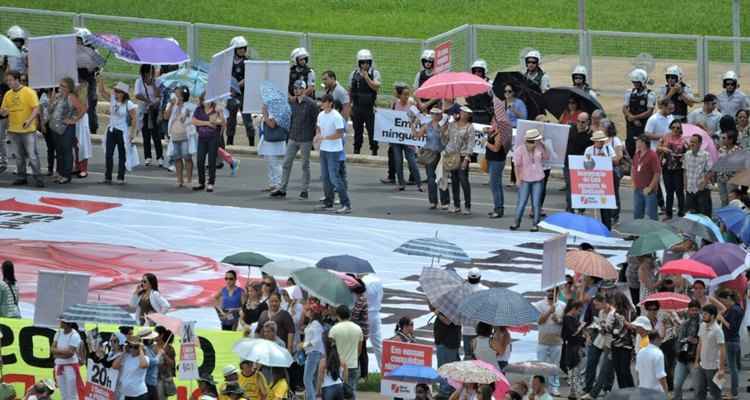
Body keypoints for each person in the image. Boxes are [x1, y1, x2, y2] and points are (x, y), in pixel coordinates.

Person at [272, 80, 318, 199]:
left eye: (299, 88)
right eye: (295, 88)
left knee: (305, 165)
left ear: (303, 89)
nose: (296, 90)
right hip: (293, 137)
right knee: (286, 163)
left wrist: (314, 137)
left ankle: (304, 190)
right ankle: (282, 189)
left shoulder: (311, 104)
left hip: (306, 139)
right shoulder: (292, 103)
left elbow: (316, 121)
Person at [0, 70, 43, 187]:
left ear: (17, 80)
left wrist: (29, 120)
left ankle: (38, 178)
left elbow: (36, 108)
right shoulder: (8, 94)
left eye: (10, 80)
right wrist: (3, 112)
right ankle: (21, 177)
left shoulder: (29, 92)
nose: (8, 82)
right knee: (19, 156)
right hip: (13, 129)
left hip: (28, 130)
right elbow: (3, 112)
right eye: (7, 80)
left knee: (32, 155)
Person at [315, 94, 351, 214]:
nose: (322, 104)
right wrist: (318, 135)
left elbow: (340, 133)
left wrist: (324, 137)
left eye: (324, 102)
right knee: (325, 178)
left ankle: (346, 204)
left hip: (334, 151)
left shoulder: (336, 116)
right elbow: (319, 127)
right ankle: (328, 202)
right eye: (322, 102)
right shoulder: (321, 115)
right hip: (324, 150)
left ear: (330, 103)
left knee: (335, 178)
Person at [47, 77, 86, 184]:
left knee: (66, 152)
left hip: (66, 129)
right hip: (55, 128)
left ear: (69, 88)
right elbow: (50, 110)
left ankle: (66, 175)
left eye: (64, 86)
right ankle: (59, 173)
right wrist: (51, 100)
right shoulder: (58, 96)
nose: (61, 88)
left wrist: (74, 120)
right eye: (60, 85)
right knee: (59, 152)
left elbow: (83, 109)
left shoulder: (71, 97)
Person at [97, 80, 137, 184]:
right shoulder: (113, 100)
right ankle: (108, 177)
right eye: (115, 91)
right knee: (108, 154)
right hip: (111, 129)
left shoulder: (129, 104)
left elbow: (134, 118)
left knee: (122, 155)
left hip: (122, 131)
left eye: (118, 91)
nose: (116, 93)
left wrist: (132, 132)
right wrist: (100, 80)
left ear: (124, 93)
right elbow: (102, 92)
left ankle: (120, 177)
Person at [511, 129, 548, 231]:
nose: (533, 144)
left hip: (538, 178)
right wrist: (518, 179)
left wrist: (543, 145)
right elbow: (516, 166)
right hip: (525, 179)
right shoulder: (519, 150)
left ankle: (535, 224)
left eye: (535, 141)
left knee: (536, 203)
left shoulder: (539, 147)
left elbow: (546, 157)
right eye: (531, 142)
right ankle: (516, 222)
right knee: (522, 202)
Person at [413, 108, 449, 209]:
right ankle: (433, 201)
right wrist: (412, 125)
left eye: (438, 114)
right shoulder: (427, 126)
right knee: (431, 178)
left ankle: (445, 202)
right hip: (430, 153)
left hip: (441, 154)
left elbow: (447, 139)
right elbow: (417, 136)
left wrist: (443, 132)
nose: (436, 116)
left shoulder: (444, 126)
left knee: (441, 177)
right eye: (434, 114)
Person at [442, 105, 474, 215]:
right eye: (462, 112)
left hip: (463, 155)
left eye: (466, 113)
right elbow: (446, 138)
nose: (463, 114)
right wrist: (445, 127)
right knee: (454, 180)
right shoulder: (452, 124)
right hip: (452, 155)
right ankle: (456, 205)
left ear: (469, 115)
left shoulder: (470, 127)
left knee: (463, 179)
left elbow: (470, 144)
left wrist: (466, 159)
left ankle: (467, 205)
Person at [485, 95, 512, 218]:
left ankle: (498, 209)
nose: (491, 122)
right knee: (497, 185)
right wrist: (489, 132)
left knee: (494, 185)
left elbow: (496, 148)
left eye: (493, 120)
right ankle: (499, 207)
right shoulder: (495, 131)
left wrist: (485, 143)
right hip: (493, 160)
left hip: (496, 160)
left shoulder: (500, 133)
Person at [349, 49, 381, 155]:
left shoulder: (374, 73)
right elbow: (350, 90)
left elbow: (376, 87)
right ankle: (357, 149)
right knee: (357, 131)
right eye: (363, 62)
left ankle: (374, 149)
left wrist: (367, 78)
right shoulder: (353, 74)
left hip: (369, 108)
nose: (365, 65)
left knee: (372, 131)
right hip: (357, 107)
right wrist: (349, 106)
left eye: (367, 62)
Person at [532, 289, 564, 396]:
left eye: (553, 291)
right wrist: (549, 312)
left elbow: (565, 322)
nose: (550, 293)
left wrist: (558, 320)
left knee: (555, 365)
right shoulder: (539, 304)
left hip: (557, 341)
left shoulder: (563, 305)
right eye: (549, 291)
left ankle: (554, 388)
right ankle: (536, 387)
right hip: (543, 341)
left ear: (557, 292)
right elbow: (539, 321)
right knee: (540, 365)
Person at [192, 93, 225, 192]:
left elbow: (223, 123)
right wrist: (207, 123)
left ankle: (211, 183)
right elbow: (194, 121)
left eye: (209, 99)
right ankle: (201, 182)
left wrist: (220, 115)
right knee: (200, 160)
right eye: (205, 99)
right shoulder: (199, 109)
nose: (207, 101)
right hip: (202, 138)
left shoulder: (217, 109)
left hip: (213, 138)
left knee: (211, 161)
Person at [328, 305, 363, 399]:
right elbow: (359, 350)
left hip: (339, 365)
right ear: (349, 315)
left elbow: (330, 348)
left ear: (338, 315)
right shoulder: (358, 329)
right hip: (353, 364)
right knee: (351, 391)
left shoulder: (334, 329)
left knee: (338, 392)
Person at [584, 130, 617, 228]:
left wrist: (606, 158)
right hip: (593, 180)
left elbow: (615, 160)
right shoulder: (589, 150)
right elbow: (585, 163)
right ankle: (591, 226)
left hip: (605, 180)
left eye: (602, 141)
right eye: (599, 141)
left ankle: (606, 226)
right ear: (595, 141)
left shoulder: (608, 148)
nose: (601, 143)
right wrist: (595, 158)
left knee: (605, 205)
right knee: (591, 203)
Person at [164, 86, 195, 187]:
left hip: (186, 135)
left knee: (187, 157)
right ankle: (179, 179)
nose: (174, 96)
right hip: (174, 135)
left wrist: (186, 115)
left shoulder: (190, 106)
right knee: (177, 157)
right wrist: (171, 105)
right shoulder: (172, 105)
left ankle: (189, 179)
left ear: (182, 96)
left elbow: (192, 120)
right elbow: (166, 116)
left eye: (177, 94)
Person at [227, 36, 255, 146]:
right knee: (231, 119)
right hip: (231, 94)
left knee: (247, 120)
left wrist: (236, 87)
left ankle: (251, 143)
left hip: (244, 94)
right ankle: (229, 142)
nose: (242, 50)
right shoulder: (228, 61)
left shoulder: (247, 62)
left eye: (244, 48)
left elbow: (248, 78)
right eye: (240, 48)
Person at [657, 119, 687, 220]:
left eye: (678, 128)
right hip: (667, 167)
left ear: (681, 129)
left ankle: (681, 211)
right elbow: (657, 147)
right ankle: (668, 213)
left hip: (678, 168)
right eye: (673, 127)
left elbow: (687, 152)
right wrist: (663, 149)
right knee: (669, 191)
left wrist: (681, 155)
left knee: (679, 190)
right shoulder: (665, 137)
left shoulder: (683, 140)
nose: (675, 129)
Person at [695, 304, 727, 400]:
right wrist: (696, 361)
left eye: (705, 314)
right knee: (700, 391)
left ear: (712, 316)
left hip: (714, 367)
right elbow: (700, 344)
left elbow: (722, 350)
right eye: (703, 313)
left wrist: (721, 368)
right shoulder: (702, 325)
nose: (703, 315)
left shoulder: (718, 330)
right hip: (702, 365)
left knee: (716, 393)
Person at [623, 68, 656, 158]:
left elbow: (649, 111)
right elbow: (625, 108)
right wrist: (631, 118)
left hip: (643, 124)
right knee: (630, 144)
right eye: (634, 82)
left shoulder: (650, 95)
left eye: (637, 82)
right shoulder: (629, 93)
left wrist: (635, 118)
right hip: (631, 125)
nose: (635, 84)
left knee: (643, 145)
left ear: (643, 82)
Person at [134, 64, 163, 167]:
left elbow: (159, 95)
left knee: (156, 135)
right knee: (146, 134)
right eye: (147, 74)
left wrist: (153, 84)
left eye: (151, 73)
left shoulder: (157, 81)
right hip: (144, 110)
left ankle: (160, 157)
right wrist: (147, 101)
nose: (148, 76)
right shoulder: (139, 81)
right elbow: (137, 94)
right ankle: (147, 157)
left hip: (154, 110)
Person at [717, 289, 743, 399]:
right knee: (733, 368)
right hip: (734, 340)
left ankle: (733, 392)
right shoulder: (737, 308)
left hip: (730, 341)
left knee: (731, 368)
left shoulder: (733, 310)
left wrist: (721, 318)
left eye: (723, 301)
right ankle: (731, 391)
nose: (723, 303)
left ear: (728, 298)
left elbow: (730, 327)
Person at [673, 300, 701, 400]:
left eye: (696, 310)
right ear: (688, 311)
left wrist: (697, 341)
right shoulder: (684, 324)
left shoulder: (702, 323)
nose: (694, 312)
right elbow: (679, 341)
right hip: (683, 358)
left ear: (699, 310)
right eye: (692, 310)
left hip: (696, 359)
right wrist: (686, 340)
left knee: (698, 388)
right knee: (676, 384)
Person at [564, 112, 592, 212]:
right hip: (568, 163)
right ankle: (569, 209)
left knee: (581, 188)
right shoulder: (570, 130)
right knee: (569, 187)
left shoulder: (590, 135)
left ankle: (581, 209)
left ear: (588, 122)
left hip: (582, 165)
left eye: (583, 122)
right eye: (578, 121)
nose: (580, 124)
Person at [632, 135, 661, 220]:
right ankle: (637, 232)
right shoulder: (637, 154)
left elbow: (657, 173)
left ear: (643, 143)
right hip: (637, 189)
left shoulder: (652, 155)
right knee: (637, 213)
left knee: (651, 214)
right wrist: (633, 182)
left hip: (648, 190)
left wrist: (650, 187)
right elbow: (633, 168)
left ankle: (654, 232)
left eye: (638, 141)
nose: (636, 143)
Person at [53, 318, 83, 400]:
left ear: (68, 324)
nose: (60, 323)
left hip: (70, 368)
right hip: (59, 366)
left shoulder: (75, 335)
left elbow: (70, 353)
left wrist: (58, 353)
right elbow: (52, 349)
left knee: (72, 394)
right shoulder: (58, 333)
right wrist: (64, 352)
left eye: (62, 322)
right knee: (63, 393)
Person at [560, 301, 585, 399]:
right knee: (573, 369)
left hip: (574, 346)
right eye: (579, 310)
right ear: (574, 308)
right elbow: (572, 334)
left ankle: (573, 392)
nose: (579, 312)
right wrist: (581, 328)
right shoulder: (567, 319)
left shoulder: (571, 318)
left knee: (574, 370)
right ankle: (574, 391)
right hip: (572, 347)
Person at [683, 133, 713, 216]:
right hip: (690, 189)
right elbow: (685, 170)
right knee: (690, 214)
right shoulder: (687, 154)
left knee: (703, 214)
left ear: (700, 144)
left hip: (702, 190)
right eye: (691, 141)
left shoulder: (705, 155)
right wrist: (685, 185)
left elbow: (711, 171)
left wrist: (704, 183)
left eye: (694, 142)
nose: (691, 144)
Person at [112, 335, 150, 400]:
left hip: (139, 395)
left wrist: (140, 349)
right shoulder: (126, 356)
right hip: (126, 394)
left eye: (135, 347)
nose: (132, 349)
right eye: (130, 346)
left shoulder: (144, 358)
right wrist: (123, 352)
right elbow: (114, 366)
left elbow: (143, 365)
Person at [302, 303, 325, 400]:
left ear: (312, 312)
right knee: (311, 379)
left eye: (307, 310)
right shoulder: (312, 323)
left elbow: (317, 340)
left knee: (307, 379)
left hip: (313, 353)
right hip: (312, 353)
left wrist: (304, 345)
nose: (305, 312)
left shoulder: (316, 324)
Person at [361, 273, 384, 366]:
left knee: (360, 344)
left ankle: (360, 371)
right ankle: (383, 368)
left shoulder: (363, 282)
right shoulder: (377, 281)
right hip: (375, 314)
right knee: (378, 344)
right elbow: (381, 297)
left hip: (364, 313)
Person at [715, 131, 742, 206]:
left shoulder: (738, 150)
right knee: (723, 199)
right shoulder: (721, 149)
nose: (722, 140)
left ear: (731, 140)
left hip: (732, 178)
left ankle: (732, 216)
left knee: (732, 200)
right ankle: (724, 216)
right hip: (721, 177)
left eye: (724, 138)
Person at [318, 335, 346, 400]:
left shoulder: (323, 362)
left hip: (327, 388)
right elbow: (345, 378)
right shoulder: (342, 361)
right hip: (339, 388)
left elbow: (320, 378)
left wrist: (318, 391)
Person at [466, 59, 493, 125]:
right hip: (472, 115)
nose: (476, 73)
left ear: (484, 72)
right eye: (474, 71)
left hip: (485, 116)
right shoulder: (469, 84)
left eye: (479, 71)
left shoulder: (489, 84)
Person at [154, 326, 176, 400]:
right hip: (151, 378)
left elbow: (172, 364)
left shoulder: (169, 348)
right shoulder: (151, 347)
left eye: (155, 333)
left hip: (163, 380)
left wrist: (164, 355)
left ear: (161, 335)